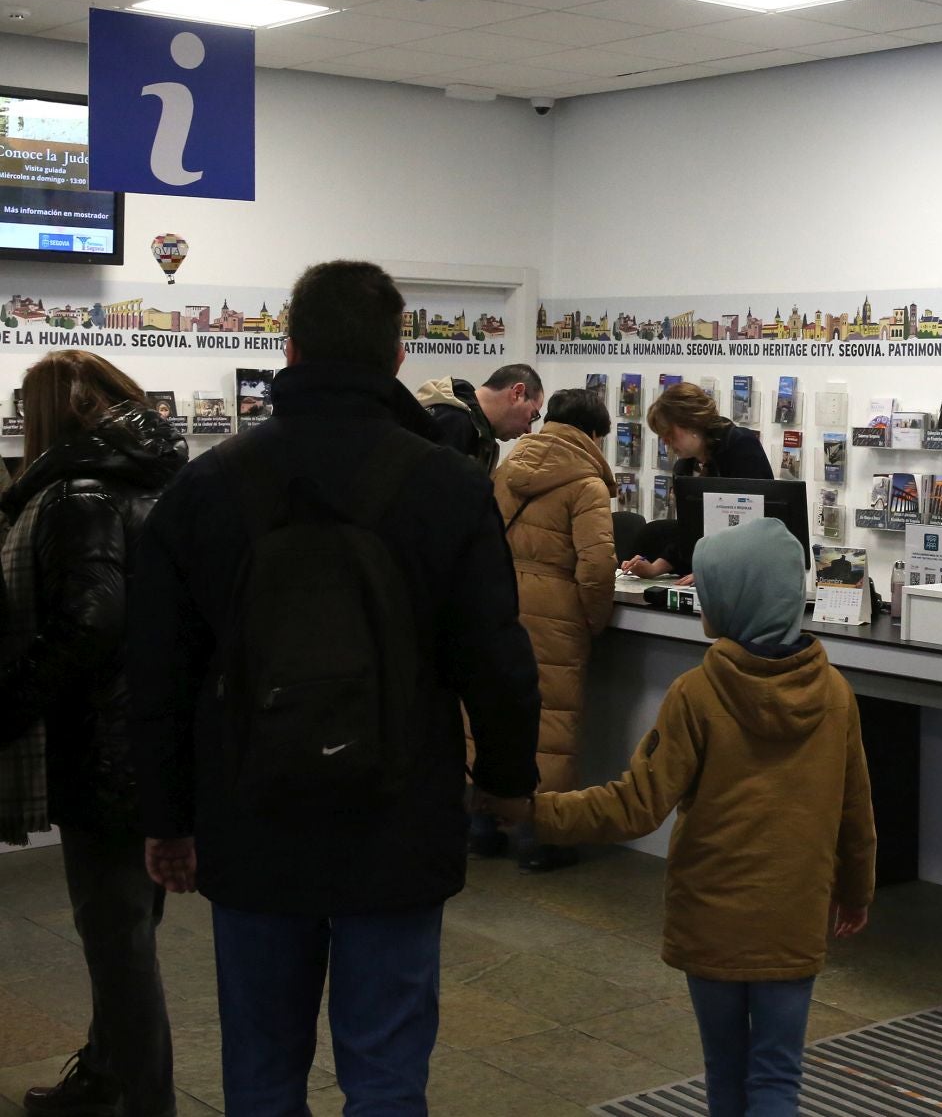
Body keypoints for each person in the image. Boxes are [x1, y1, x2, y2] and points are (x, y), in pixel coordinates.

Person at [128, 260, 540, 1113]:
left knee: (262, 1069)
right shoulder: (447, 486)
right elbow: (494, 655)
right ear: (395, 356)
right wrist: (505, 780)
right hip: (397, 817)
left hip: (250, 820)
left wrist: (168, 819)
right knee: (386, 1073)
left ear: (289, 347)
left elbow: (160, 671)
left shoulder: (206, 487)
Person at [480, 516, 875, 1117]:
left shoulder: (698, 693)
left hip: (711, 916)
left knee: (725, 1071)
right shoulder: (835, 693)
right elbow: (856, 808)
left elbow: (636, 805)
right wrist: (856, 890)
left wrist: (536, 814)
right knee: (776, 1075)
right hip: (795, 915)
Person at [1, 352, 185, 1117]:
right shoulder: (160, 479)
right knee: (130, 930)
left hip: (104, 749)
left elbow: (90, 618)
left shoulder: (76, 492)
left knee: (119, 949)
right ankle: (105, 1077)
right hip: (160, 736)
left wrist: (10, 701)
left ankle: (145, 1102)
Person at [477, 387, 617, 872]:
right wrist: (592, 619)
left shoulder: (507, 468)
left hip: (496, 601)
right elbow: (597, 568)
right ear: (594, 434)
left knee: (489, 714)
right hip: (555, 613)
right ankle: (543, 838)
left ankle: (481, 824)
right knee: (552, 725)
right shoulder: (587, 485)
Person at [622, 383, 772, 579]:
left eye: (669, 434)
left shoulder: (740, 446)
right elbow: (689, 532)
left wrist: (709, 572)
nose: (665, 442)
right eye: (662, 436)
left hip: (748, 573)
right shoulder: (683, 468)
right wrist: (653, 569)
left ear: (691, 422)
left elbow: (757, 526)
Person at [414, 363, 544, 476]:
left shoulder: (465, 425)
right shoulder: (455, 423)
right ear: (517, 393)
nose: (529, 430)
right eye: (533, 416)